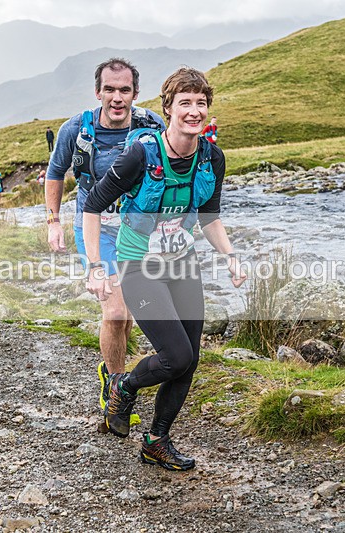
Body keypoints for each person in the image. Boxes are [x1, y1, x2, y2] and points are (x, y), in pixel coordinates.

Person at [83, 67, 246, 471]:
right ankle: (124, 384)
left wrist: (230, 255)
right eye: (185, 103)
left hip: (183, 264)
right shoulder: (143, 153)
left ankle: (157, 440)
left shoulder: (212, 157)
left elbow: (209, 218)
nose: (194, 111)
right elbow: (92, 204)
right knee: (175, 355)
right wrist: (95, 267)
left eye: (201, 103)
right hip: (139, 265)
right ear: (168, 108)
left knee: (189, 360)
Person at [44, 58, 165, 424]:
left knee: (126, 315)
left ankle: (112, 374)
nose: (117, 97)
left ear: (135, 93)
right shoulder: (75, 130)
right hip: (93, 226)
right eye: (109, 90)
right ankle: (116, 391)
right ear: (98, 92)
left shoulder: (151, 125)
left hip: (136, 229)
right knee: (114, 313)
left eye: (124, 90)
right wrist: (54, 221)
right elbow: (55, 173)